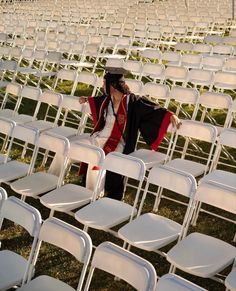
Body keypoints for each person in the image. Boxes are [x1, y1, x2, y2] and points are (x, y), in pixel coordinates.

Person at [49, 67, 181, 200]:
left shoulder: (133, 102)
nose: (102, 86)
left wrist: (171, 115)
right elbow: (97, 100)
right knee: (67, 147)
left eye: (104, 83)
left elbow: (153, 109)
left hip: (119, 143)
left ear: (112, 86)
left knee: (95, 158)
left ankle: (91, 196)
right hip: (98, 137)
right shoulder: (108, 99)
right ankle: (51, 181)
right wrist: (87, 99)